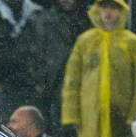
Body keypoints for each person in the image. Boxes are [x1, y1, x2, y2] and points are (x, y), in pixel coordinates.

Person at [61, 0, 136, 137]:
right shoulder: (85, 41)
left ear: (122, 12)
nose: (108, 13)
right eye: (104, 7)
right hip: (89, 117)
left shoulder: (133, 43)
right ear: (97, 10)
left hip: (121, 116)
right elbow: (72, 80)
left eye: (114, 8)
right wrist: (72, 114)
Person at [23, 0, 90, 128]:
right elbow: (33, 53)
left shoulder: (89, 19)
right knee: (56, 131)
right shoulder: (43, 19)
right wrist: (40, 81)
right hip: (52, 87)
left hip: (83, 85)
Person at [0, 0, 43, 118]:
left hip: (30, 85)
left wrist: (40, 79)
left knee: (29, 126)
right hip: (1, 85)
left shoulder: (36, 13)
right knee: (2, 127)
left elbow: (44, 49)